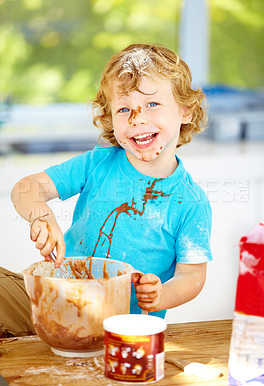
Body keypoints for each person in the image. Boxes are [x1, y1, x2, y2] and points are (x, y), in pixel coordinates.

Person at [1, 43, 212, 337]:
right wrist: (40, 215)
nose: (137, 118)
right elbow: (26, 188)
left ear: (185, 111)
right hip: (58, 301)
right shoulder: (97, 164)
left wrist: (161, 295)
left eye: (152, 104)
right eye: (124, 108)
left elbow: (191, 276)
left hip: (122, 328)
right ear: (111, 118)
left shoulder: (191, 202)